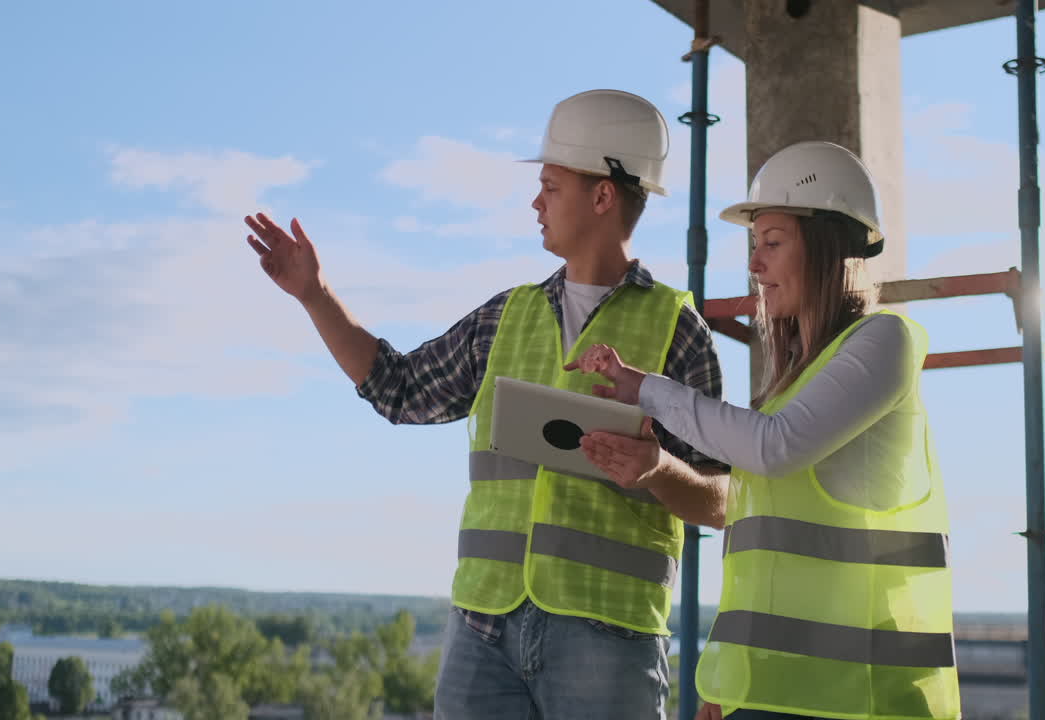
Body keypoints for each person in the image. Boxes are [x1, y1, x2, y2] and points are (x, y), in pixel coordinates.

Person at [242, 89, 729, 720]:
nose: (535, 202)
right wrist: (315, 294)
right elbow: (398, 388)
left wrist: (659, 468)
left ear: (603, 196)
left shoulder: (678, 330)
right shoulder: (505, 317)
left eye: (551, 186)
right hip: (482, 629)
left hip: (607, 635)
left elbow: (725, 501)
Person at [567, 141, 962, 720]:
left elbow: (773, 447)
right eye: (755, 247)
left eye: (773, 244)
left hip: (865, 699)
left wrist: (646, 388)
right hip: (773, 697)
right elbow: (762, 551)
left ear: (830, 247)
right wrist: (732, 681)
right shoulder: (795, 385)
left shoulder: (886, 341)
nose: (755, 265)